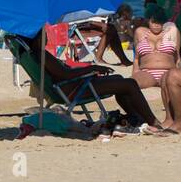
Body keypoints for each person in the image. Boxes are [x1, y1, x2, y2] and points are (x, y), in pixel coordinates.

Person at [21, 32, 167, 134]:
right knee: (129, 84)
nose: (46, 36)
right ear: (37, 38)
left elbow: (62, 73)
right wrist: (92, 68)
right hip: (73, 89)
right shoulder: (42, 55)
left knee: (120, 81)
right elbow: (64, 74)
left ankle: (137, 118)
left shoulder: (35, 55)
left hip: (69, 87)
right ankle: (153, 121)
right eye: (43, 34)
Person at [131, 4, 181, 130]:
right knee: (131, 84)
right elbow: (137, 59)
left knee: (170, 88)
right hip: (147, 72)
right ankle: (139, 116)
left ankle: (170, 119)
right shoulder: (140, 32)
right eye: (153, 22)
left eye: (159, 23)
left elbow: (177, 58)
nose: (156, 25)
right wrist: (135, 73)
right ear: (148, 20)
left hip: (168, 71)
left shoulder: (172, 32)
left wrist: (179, 74)